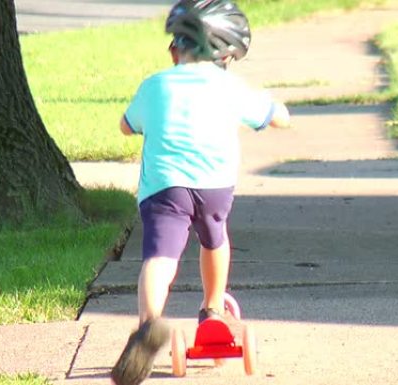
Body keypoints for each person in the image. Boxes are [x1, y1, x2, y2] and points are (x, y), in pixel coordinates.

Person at [110, 1, 290, 384]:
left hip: (164, 188)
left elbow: (126, 126)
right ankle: (212, 309)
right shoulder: (230, 86)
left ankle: (148, 325)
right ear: (226, 54)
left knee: (160, 259)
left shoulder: (155, 84)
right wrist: (278, 111)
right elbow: (278, 118)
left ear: (177, 49)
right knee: (215, 240)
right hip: (214, 186)